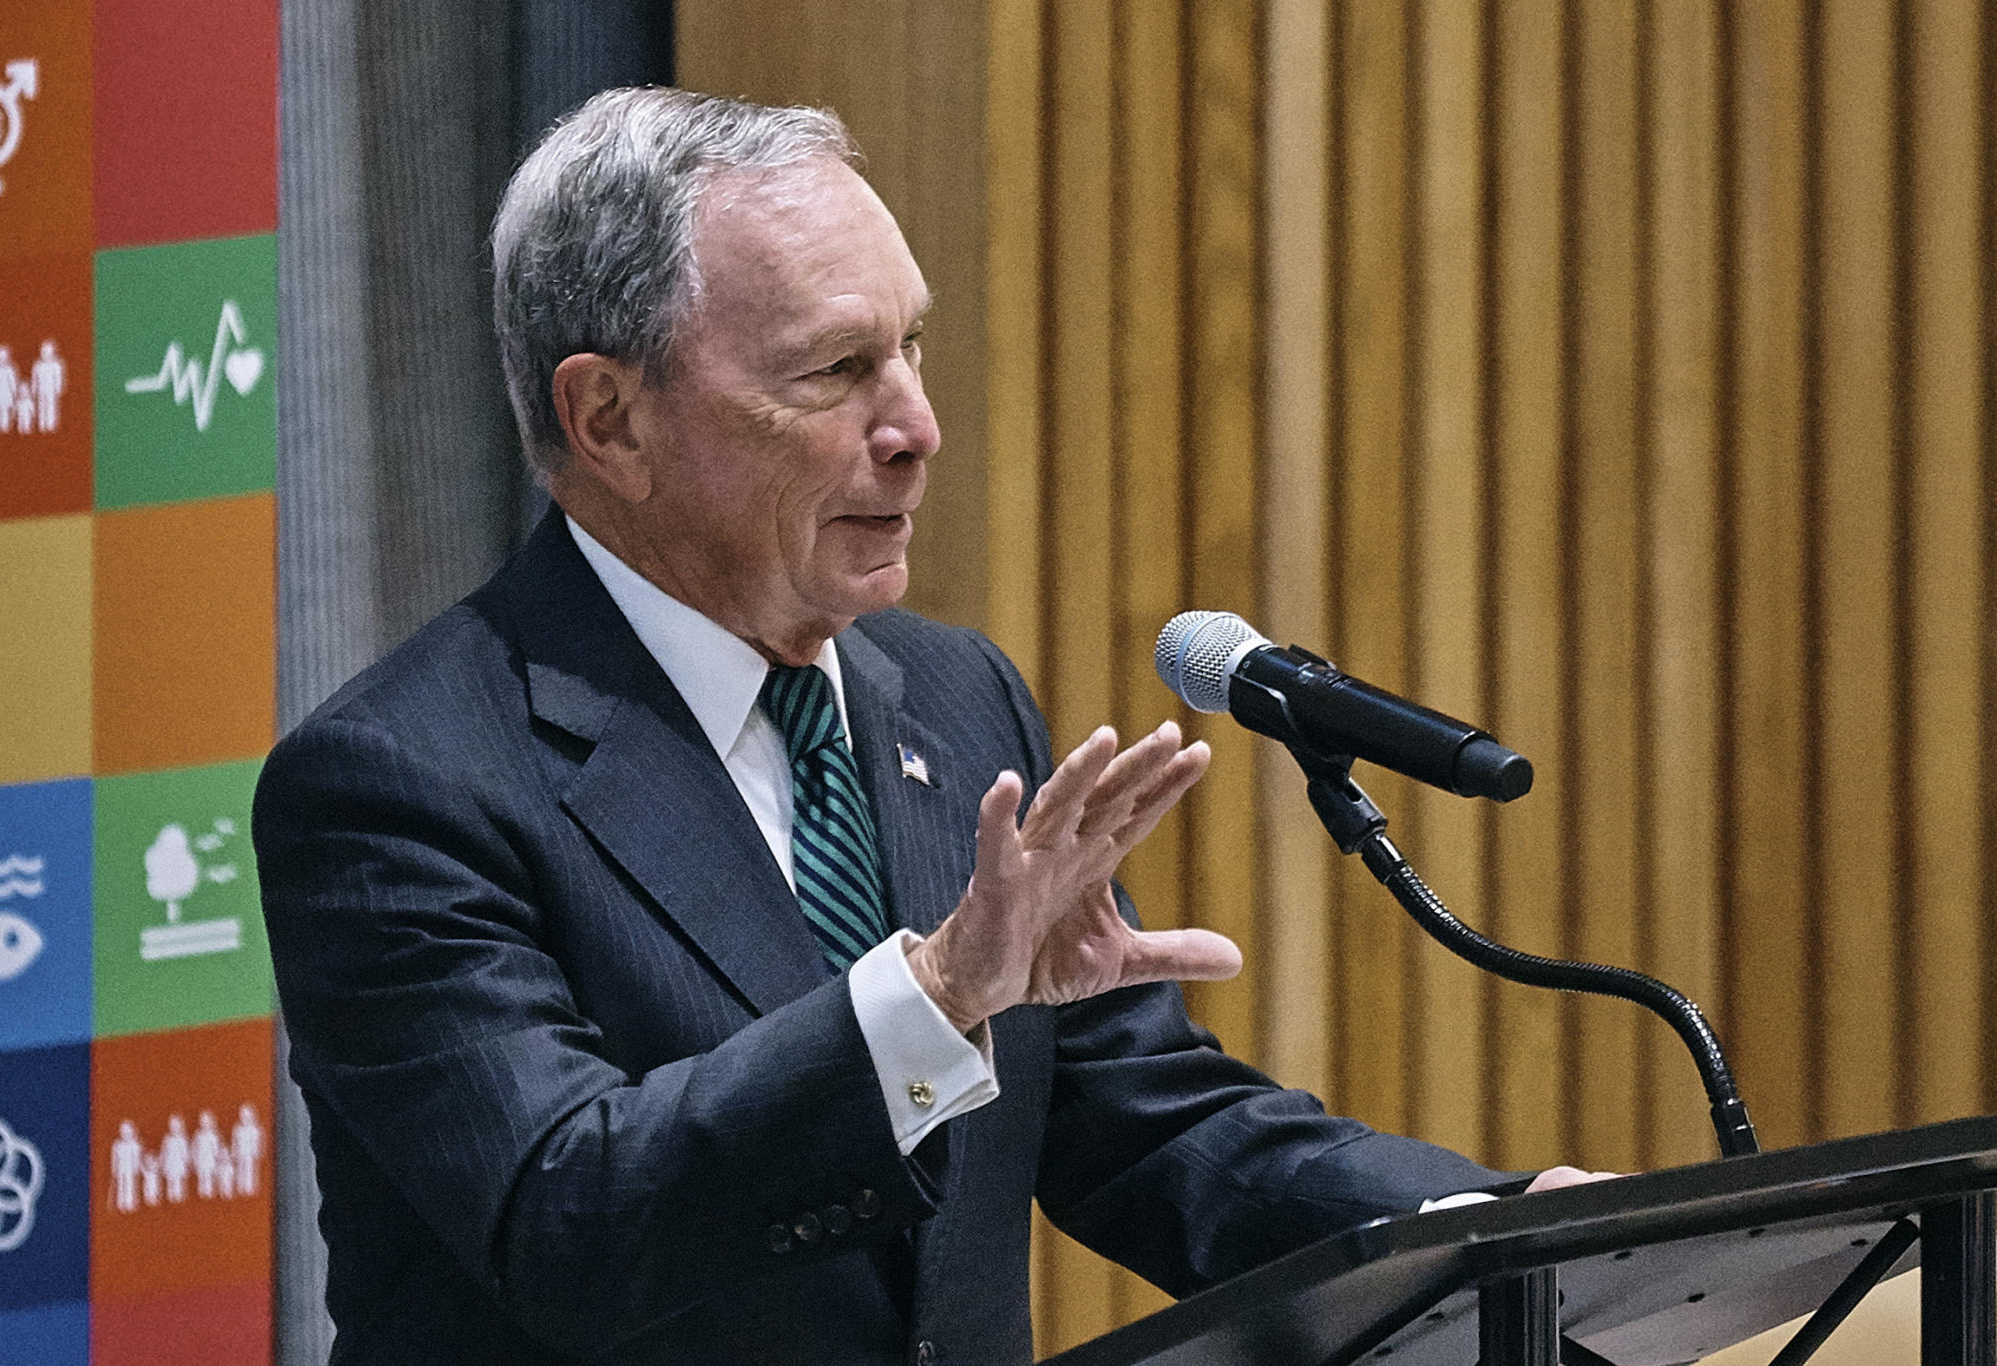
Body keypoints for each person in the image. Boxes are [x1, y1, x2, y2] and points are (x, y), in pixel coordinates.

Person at [256, 87, 1594, 1366]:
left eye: (912, 347)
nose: (917, 426)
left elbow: (1137, 1128)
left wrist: (1494, 1232)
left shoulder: (952, 699)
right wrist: (936, 995)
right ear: (609, 417)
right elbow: (570, 1214)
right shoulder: (399, 783)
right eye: (836, 369)